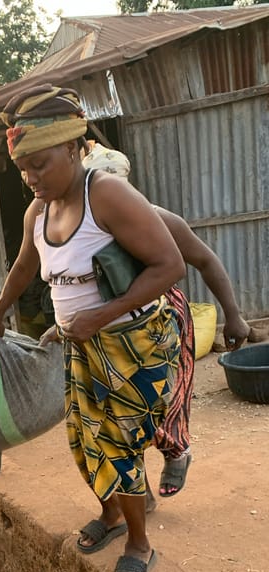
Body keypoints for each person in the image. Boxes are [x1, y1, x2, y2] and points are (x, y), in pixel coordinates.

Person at [0, 85, 186, 572]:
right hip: (82, 345)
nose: (31, 177)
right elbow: (25, 266)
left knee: (119, 443)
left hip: (134, 341)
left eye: (41, 164)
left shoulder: (107, 195)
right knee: (83, 439)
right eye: (23, 168)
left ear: (74, 148)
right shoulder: (39, 210)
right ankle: (112, 514)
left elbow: (171, 264)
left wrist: (101, 316)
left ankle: (139, 542)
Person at [81, 142, 251, 503]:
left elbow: (205, 261)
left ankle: (176, 450)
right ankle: (134, 487)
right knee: (114, 408)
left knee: (162, 398)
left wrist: (233, 317)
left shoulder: (159, 219)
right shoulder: (82, 226)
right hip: (109, 325)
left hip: (161, 318)